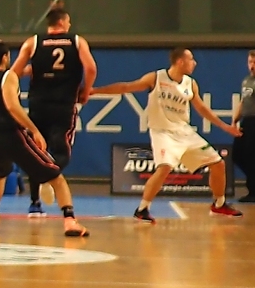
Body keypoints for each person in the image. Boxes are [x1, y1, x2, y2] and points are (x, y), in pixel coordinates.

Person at [91, 48, 243, 221]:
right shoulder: (156, 78)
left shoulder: (190, 83)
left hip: (184, 132)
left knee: (218, 164)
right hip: (162, 132)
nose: (194, 63)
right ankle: (142, 209)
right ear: (180, 61)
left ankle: (219, 204)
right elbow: (126, 87)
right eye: (191, 59)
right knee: (164, 168)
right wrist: (95, 91)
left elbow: (201, 108)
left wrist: (225, 127)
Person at [0, 41, 88, 237]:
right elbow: (12, 107)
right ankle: (70, 221)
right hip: (11, 136)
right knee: (56, 176)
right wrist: (34, 130)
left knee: (0, 172)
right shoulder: (8, 76)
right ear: (5, 57)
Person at [10, 4, 96, 215]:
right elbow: (91, 68)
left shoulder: (33, 42)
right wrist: (85, 90)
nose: (69, 25)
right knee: (61, 150)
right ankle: (49, 178)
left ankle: (34, 203)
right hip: (64, 104)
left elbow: (13, 73)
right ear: (61, 22)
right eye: (68, 22)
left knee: (36, 151)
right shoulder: (77, 41)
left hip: (38, 103)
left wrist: (30, 71)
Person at [233, 50, 255, 203]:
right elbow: (243, 101)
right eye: (250, 62)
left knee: (251, 156)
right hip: (246, 121)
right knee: (238, 155)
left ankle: (252, 191)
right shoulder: (246, 80)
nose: (252, 66)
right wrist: (235, 120)